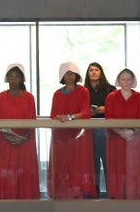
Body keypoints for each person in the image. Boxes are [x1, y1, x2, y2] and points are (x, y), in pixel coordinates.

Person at [48, 62, 96, 199]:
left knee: (78, 163)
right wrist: (60, 119)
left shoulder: (83, 91)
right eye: (66, 74)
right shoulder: (57, 94)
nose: (69, 77)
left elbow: (86, 112)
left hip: (79, 135)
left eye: (72, 74)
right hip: (61, 136)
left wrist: (69, 117)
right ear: (62, 76)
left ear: (76, 75)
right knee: (62, 163)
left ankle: (80, 191)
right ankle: (62, 192)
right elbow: (53, 115)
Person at [0, 63, 40, 199]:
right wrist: (9, 138)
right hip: (5, 144)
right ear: (7, 79)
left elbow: (32, 120)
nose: (13, 80)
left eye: (17, 77)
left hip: (25, 143)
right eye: (11, 77)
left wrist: (22, 137)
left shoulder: (29, 97)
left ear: (22, 79)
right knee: (7, 172)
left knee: (25, 171)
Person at [104, 67, 140, 199]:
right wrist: (121, 132)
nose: (126, 82)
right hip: (115, 138)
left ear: (133, 81)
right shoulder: (111, 97)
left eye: (129, 79)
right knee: (117, 166)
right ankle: (117, 196)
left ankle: (135, 195)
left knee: (135, 167)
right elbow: (109, 118)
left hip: (136, 139)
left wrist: (132, 131)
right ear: (118, 81)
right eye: (123, 79)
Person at [84, 61, 115, 196]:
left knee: (108, 163)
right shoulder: (83, 90)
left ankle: (111, 193)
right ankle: (93, 193)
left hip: (107, 130)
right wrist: (87, 112)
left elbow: (116, 108)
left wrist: (105, 109)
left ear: (101, 72)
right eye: (91, 70)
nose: (94, 72)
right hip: (88, 130)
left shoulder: (110, 89)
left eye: (96, 70)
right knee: (92, 164)